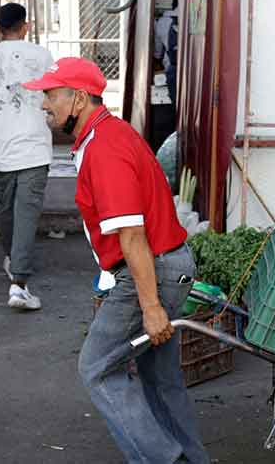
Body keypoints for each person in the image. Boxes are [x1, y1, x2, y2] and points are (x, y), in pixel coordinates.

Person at [23, 57, 209, 464]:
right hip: (163, 266)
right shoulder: (106, 135)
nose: (44, 105)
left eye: (50, 95)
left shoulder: (104, 147)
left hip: (151, 271)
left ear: (78, 98)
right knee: (160, 381)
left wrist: (150, 306)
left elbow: (131, 234)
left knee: (97, 368)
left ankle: (168, 459)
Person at [0, 3, 53, 310]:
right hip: (32, 144)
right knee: (26, 212)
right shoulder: (42, 56)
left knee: (6, 209)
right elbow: (53, 96)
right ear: (26, 25)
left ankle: (14, 264)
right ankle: (18, 285)